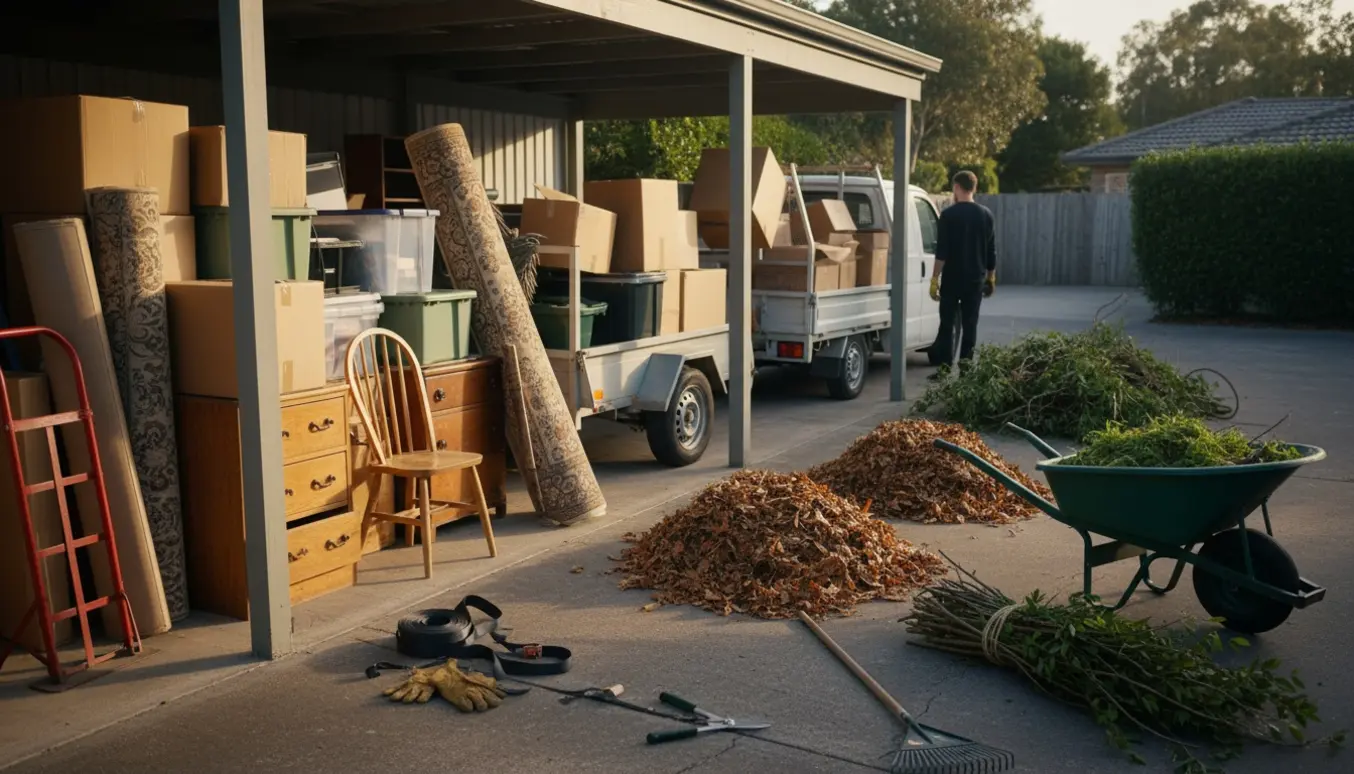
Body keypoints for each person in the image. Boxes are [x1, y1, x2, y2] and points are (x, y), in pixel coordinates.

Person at [929, 171, 996, 374]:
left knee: (946, 325)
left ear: (957, 187)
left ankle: (944, 368)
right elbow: (991, 250)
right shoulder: (986, 215)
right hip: (975, 280)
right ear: (974, 188)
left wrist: (934, 279)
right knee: (970, 325)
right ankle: (966, 371)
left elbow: (942, 252)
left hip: (951, 280)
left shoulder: (948, 215)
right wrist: (991, 277)